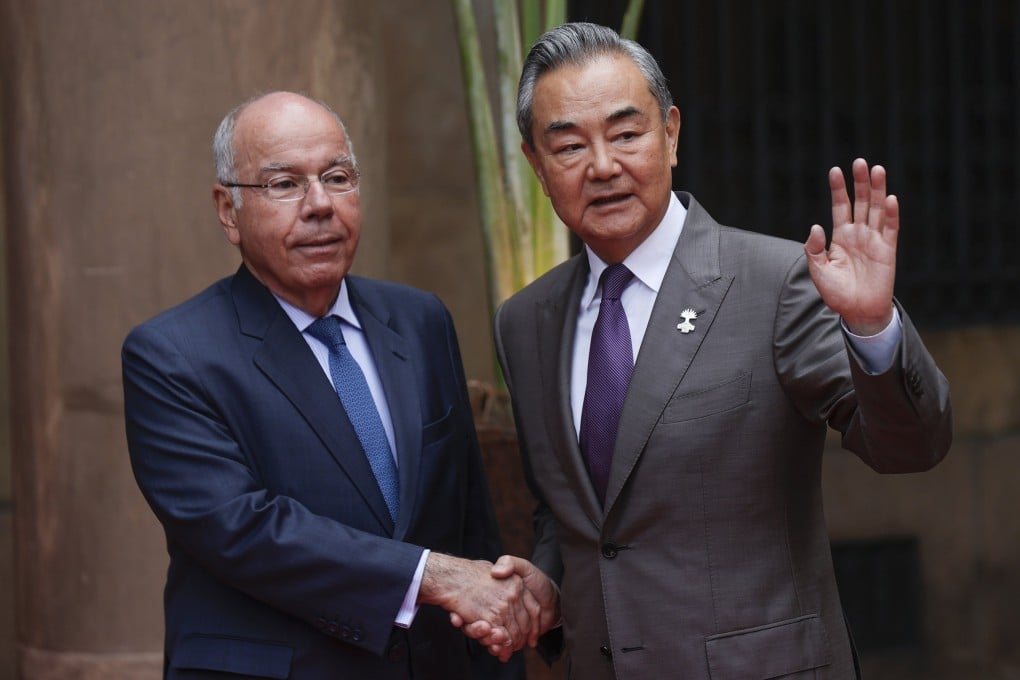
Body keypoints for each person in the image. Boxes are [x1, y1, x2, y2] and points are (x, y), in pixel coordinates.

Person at [486, 22, 953, 679]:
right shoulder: (524, 322)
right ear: (536, 165)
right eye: (568, 146)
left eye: (626, 134)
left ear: (670, 134)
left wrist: (873, 328)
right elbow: (573, 514)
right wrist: (548, 582)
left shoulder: (776, 281)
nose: (603, 166)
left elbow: (910, 447)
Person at [122, 91, 542, 679]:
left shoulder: (420, 322)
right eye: (284, 185)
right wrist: (434, 577)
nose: (320, 205)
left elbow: (470, 522)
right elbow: (247, 530)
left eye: (337, 177)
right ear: (227, 210)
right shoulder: (172, 356)